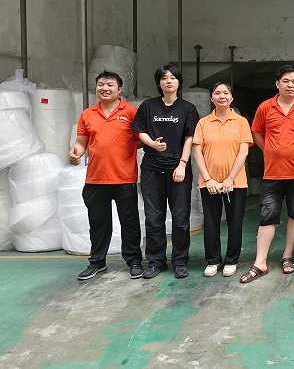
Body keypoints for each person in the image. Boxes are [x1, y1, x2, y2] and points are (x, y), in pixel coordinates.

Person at [240, 65, 294, 283]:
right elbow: (256, 132)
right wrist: (270, 151)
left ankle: (287, 256)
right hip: (272, 174)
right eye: (286, 81)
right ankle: (260, 263)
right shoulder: (265, 107)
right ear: (277, 84)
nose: (290, 85)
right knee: (267, 217)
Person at [70, 71, 143, 280]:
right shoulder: (87, 114)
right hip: (96, 178)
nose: (105, 88)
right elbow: (81, 142)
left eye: (110, 84)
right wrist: (75, 153)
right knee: (98, 224)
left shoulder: (130, 112)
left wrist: (125, 147)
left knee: (129, 223)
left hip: (124, 178)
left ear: (119, 89)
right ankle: (97, 262)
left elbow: (140, 139)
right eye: (101, 84)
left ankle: (134, 261)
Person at [132, 65, 199, 279]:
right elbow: (140, 131)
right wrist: (153, 144)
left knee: (180, 217)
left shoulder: (187, 109)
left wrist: (182, 164)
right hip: (152, 169)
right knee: (153, 218)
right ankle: (156, 261)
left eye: (172, 78)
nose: (168, 81)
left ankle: (180, 261)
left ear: (179, 82)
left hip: (178, 170)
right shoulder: (148, 106)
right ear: (159, 83)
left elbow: (189, 139)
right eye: (164, 78)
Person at [192, 82, 253, 278]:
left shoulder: (241, 122)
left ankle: (231, 259)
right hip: (209, 182)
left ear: (231, 98)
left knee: (235, 221)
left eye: (225, 93)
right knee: (211, 222)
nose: (221, 96)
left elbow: (243, 152)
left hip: (235, 182)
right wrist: (208, 179)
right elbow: (197, 152)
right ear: (212, 98)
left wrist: (230, 179)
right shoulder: (203, 123)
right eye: (217, 93)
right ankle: (213, 260)